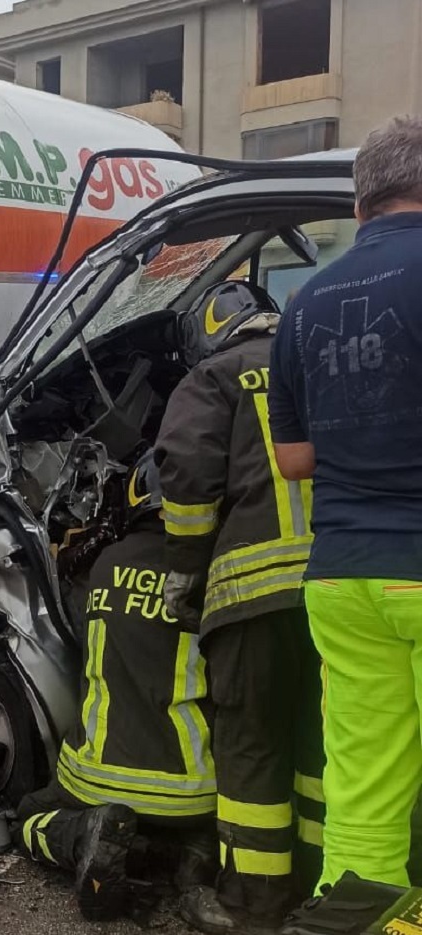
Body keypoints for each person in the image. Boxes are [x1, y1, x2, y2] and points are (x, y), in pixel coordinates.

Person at [268, 115, 422, 892]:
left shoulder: (304, 301)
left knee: (364, 776)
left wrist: (367, 438)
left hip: (341, 580)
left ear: (359, 206)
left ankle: (370, 911)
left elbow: (293, 459)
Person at [155, 280, 323, 931]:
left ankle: (254, 903)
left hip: (250, 599)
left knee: (252, 744)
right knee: (323, 742)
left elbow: (189, 479)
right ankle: (321, 885)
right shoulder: (319, 359)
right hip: (340, 591)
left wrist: (184, 575)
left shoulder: (211, 378)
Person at [16, 452, 217, 922]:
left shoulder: (105, 565)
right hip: (196, 792)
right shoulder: (212, 569)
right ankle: (186, 850)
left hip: (99, 782)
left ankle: (85, 835)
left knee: (26, 814)